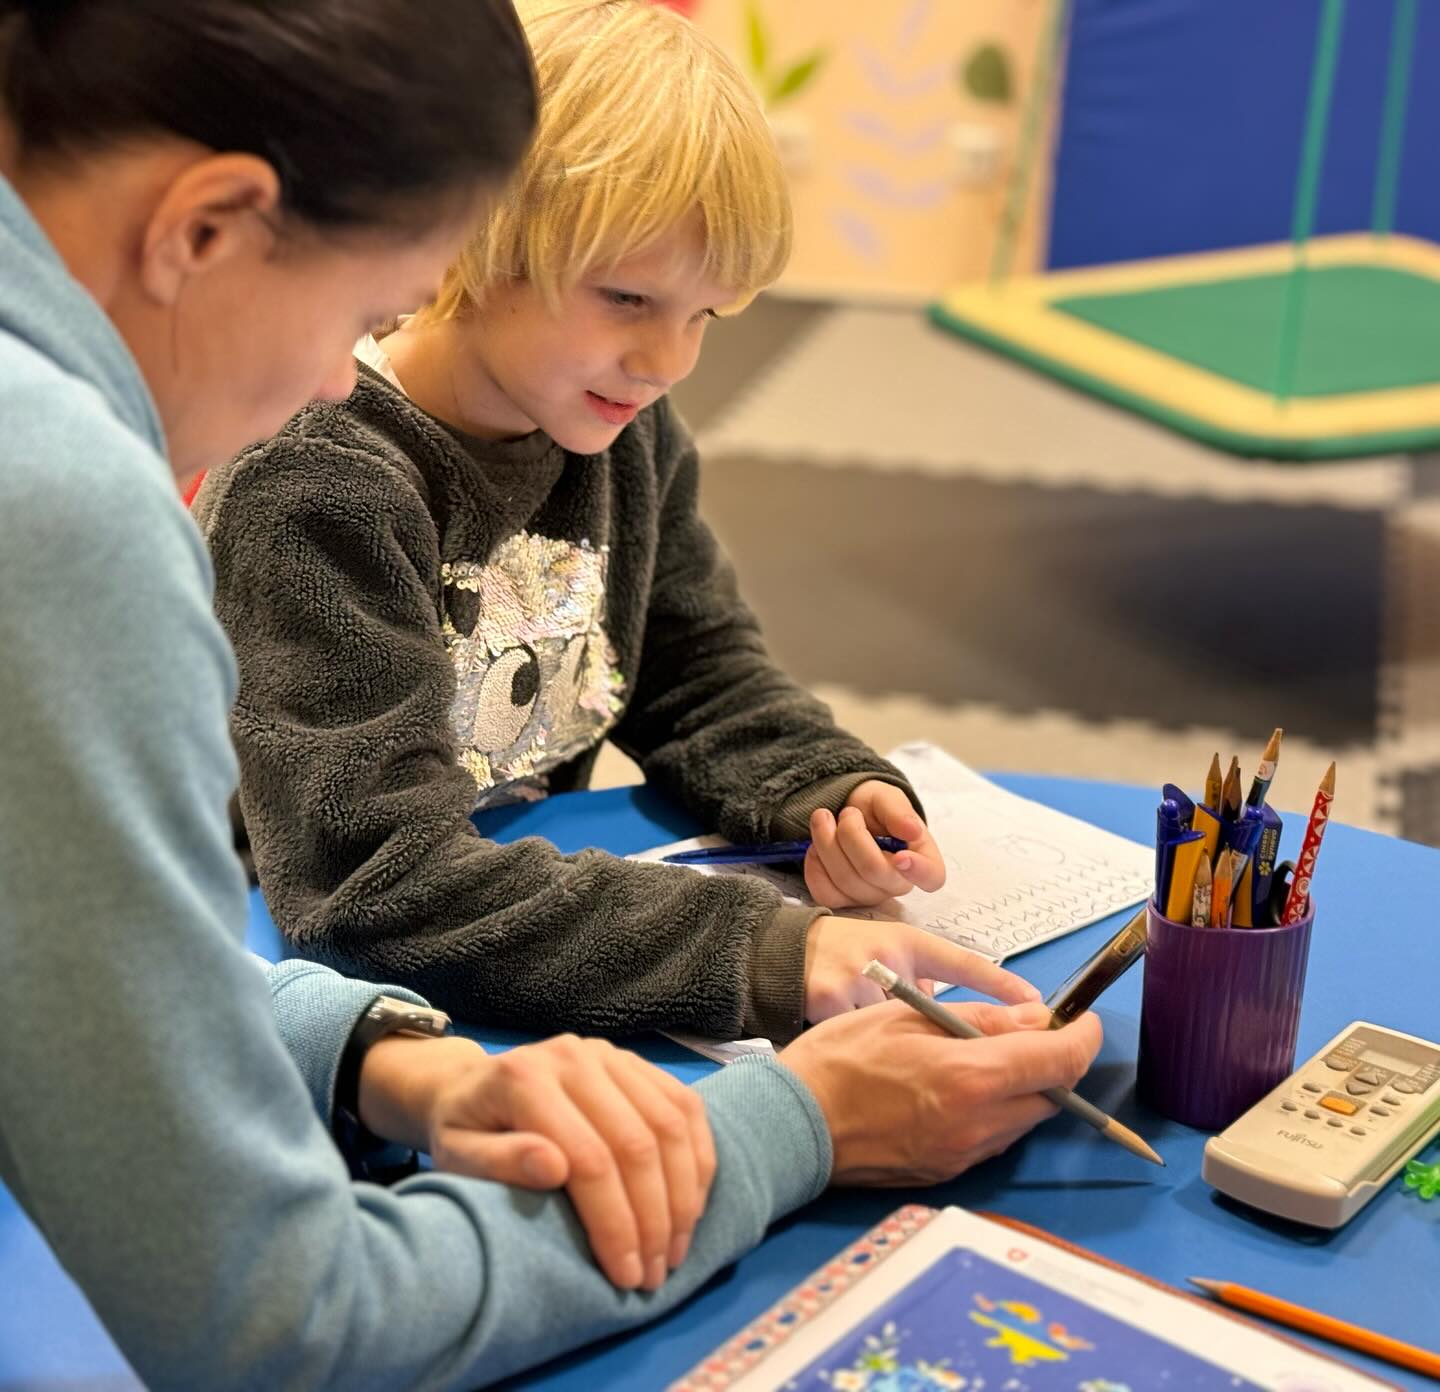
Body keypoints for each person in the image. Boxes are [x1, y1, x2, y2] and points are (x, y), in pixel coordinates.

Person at [0, 0, 1102, 1386]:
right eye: (364, 311)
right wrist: (793, 1110)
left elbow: (66, 964)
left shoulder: (615, 440)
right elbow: (286, 1316)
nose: (338, 372)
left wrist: (388, 1061)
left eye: (708, 317)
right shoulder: (122, 504)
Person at [196, 0, 997, 1045]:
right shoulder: (317, 483)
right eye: (626, 298)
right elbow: (367, 884)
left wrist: (822, 787)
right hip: (288, 986)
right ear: (481, 236)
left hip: (512, 922)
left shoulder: (621, 430)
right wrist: (763, 951)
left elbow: (694, 668)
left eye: (705, 313)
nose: (668, 361)